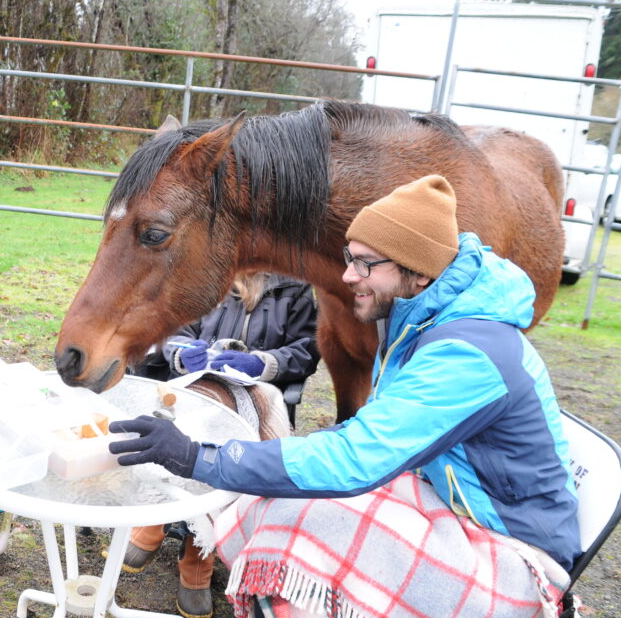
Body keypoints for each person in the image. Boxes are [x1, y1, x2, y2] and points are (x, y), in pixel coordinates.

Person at [109, 175, 580, 618]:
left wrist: (198, 457)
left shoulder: (467, 353)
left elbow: (356, 458)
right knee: (278, 508)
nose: (348, 275)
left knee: (302, 537)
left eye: (365, 263)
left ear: (417, 270)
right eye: (349, 257)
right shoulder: (423, 321)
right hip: (449, 496)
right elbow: (372, 435)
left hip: (508, 544)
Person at [125, 272, 320, 618]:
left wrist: (263, 362)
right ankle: (156, 519)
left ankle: (197, 557)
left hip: (258, 395)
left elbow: (307, 350)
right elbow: (174, 330)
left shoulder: (296, 287)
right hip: (198, 387)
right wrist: (183, 354)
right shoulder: (207, 272)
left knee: (221, 439)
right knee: (184, 426)